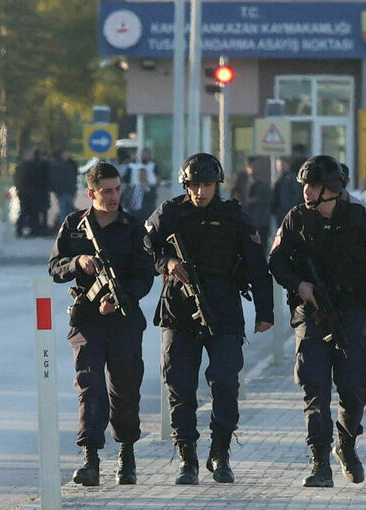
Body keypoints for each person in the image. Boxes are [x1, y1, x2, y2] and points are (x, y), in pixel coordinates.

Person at [143, 153, 274, 485]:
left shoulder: (233, 217)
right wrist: (168, 263)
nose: (201, 192)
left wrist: (265, 312)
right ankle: (187, 457)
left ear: (218, 185)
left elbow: (257, 264)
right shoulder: (170, 213)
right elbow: (146, 244)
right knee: (180, 384)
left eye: (207, 185)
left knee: (226, 383)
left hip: (224, 311)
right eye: (195, 185)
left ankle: (220, 453)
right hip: (179, 311)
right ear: (186, 185)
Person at [269, 155, 366, 488]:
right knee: (315, 387)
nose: (307, 192)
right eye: (306, 186)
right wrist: (300, 285)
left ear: (332, 189)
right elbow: (276, 262)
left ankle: (347, 443)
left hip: (352, 312)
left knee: (355, 385)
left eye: (314, 186)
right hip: (311, 315)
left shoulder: (356, 218)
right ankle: (319, 461)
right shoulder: (295, 219)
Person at [49, 162, 155, 487]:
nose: (113, 197)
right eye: (106, 191)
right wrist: (77, 263)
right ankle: (90, 459)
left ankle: (127, 455)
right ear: (91, 193)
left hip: (123, 319)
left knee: (124, 389)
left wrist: (122, 298)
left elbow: (145, 275)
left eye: (117, 190)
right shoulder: (73, 225)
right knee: (90, 387)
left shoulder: (133, 227)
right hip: (87, 320)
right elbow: (54, 267)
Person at [243, 156, 273, 253]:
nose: (254, 169)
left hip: (261, 223)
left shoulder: (264, 185)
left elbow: (269, 201)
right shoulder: (242, 184)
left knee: (261, 249)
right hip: (246, 222)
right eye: (252, 166)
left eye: (256, 166)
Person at [271, 156, 304, 227]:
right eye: (279, 165)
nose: (281, 167)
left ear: (288, 165)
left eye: (283, 164)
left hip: (288, 211)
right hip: (281, 213)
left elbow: (297, 196)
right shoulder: (279, 179)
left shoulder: (292, 178)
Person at [50, 149, 78, 224]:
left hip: (66, 190)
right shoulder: (69, 164)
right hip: (64, 190)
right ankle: (66, 226)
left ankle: (65, 226)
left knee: (66, 209)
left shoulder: (61, 164)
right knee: (65, 209)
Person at [137, 148, 159, 222]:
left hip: (151, 189)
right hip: (140, 190)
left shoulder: (153, 165)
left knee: (150, 210)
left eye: (145, 154)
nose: (144, 156)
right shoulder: (138, 165)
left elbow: (158, 176)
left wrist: (153, 186)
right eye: (142, 155)